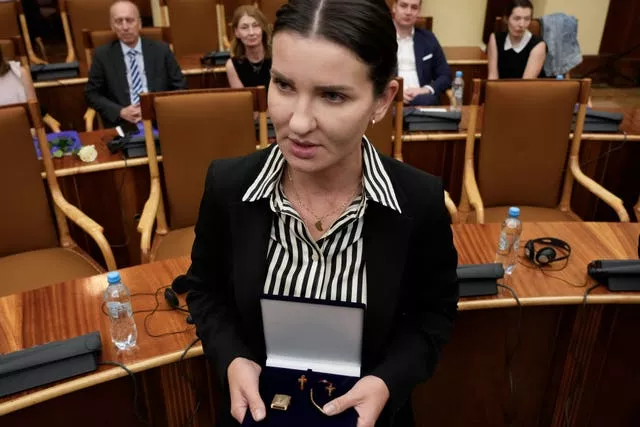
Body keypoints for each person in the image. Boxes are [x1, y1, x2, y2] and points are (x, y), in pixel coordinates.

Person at [186, 0, 458, 426]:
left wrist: (388, 381)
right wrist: (233, 359)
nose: (297, 122)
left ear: (382, 100)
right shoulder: (229, 186)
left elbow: (433, 314)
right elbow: (205, 292)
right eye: (284, 85)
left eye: (332, 95)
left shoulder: (418, 200)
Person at [84, 0, 186, 128]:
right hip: (123, 124)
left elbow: (180, 87)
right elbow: (91, 94)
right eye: (119, 21)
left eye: (130, 20)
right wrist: (120, 111)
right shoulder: (102, 55)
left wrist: (153, 109)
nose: (125, 27)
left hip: (160, 120)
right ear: (112, 26)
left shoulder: (161, 50)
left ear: (139, 24)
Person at [392, 0, 451, 106]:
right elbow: (370, 76)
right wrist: (394, 92)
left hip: (422, 101)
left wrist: (426, 89)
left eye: (414, 7)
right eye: (403, 6)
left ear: (419, 11)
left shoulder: (428, 39)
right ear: (394, 7)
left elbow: (445, 76)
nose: (408, 12)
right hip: (391, 101)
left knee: (428, 101)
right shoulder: (380, 38)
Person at [488, 0, 546, 79]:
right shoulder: (495, 38)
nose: (522, 24)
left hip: (524, 90)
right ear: (506, 19)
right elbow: (492, 77)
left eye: (527, 19)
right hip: (499, 89)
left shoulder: (538, 45)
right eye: (516, 18)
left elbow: (525, 84)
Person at [226, 5, 272, 91]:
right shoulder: (232, 65)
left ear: (262, 28)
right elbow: (243, 100)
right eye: (244, 27)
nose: (251, 32)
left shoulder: (277, 56)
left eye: (255, 25)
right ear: (236, 32)